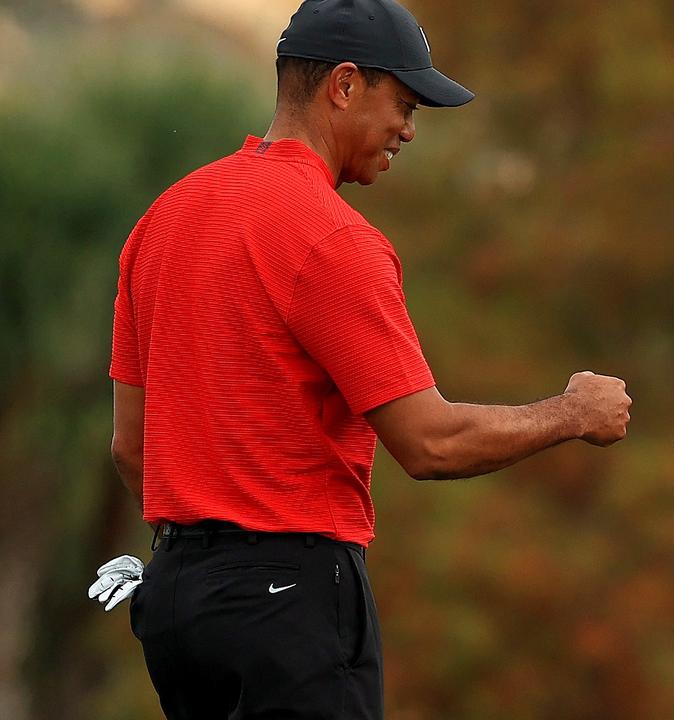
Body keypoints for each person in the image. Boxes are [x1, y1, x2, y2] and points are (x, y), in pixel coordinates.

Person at [97, 1, 631, 718]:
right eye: (404, 104)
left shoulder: (164, 218)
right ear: (344, 86)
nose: (409, 129)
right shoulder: (332, 238)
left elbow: (132, 448)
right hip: (289, 598)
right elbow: (430, 443)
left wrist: (204, 564)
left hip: (175, 604)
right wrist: (572, 413)